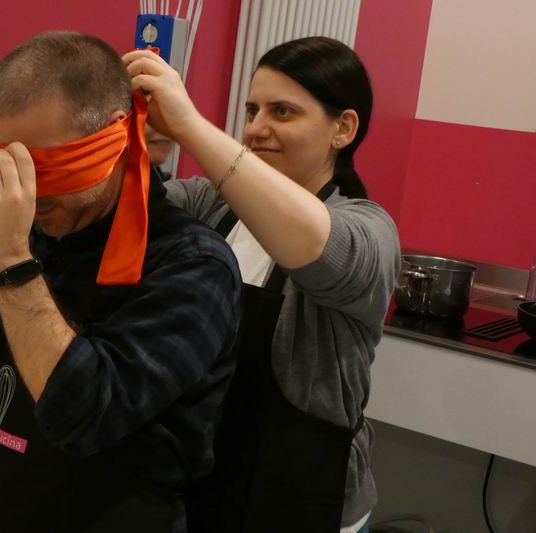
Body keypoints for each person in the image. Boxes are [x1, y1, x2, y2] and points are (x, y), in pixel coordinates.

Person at [0, 32, 242, 533]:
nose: (33, 196)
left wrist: (13, 266)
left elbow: (84, 413)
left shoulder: (193, 265)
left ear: (115, 135)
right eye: (16, 167)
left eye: (52, 169)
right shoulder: (31, 230)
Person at [124, 36, 401, 533]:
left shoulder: (369, 232)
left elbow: (314, 244)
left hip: (300, 496)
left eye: (282, 112)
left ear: (343, 128)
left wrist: (189, 125)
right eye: (252, 111)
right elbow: (124, 204)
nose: (255, 128)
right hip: (206, 479)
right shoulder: (210, 206)